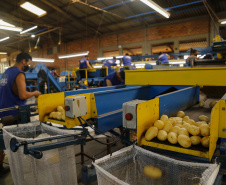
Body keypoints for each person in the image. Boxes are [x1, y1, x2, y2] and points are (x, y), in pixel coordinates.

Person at [0, 52, 41, 176]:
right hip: (15, 113)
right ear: (24, 61)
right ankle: (22, 169)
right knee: (20, 141)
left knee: (2, 139)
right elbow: (22, 95)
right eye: (28, 62)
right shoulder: (19, 73)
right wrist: (34, 93)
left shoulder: (5, 73)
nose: (28, 65)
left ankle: (0, 167)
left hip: (3, 111)